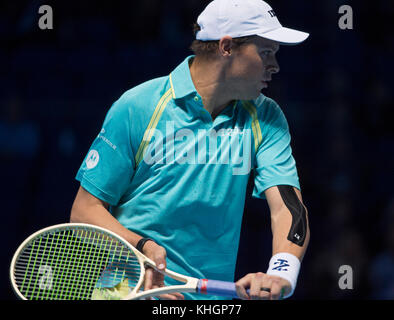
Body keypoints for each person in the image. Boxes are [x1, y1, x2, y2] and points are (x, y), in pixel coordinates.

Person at [70, 0, 311, 300]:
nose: (275, 65)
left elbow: (288, 208)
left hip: (210, 298)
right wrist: (142, 248)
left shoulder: (265, 117)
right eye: (266, 52)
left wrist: (281, 273)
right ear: (226, 47)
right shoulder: (139, 105)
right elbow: (83, 212)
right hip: (126, 289)